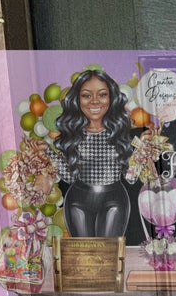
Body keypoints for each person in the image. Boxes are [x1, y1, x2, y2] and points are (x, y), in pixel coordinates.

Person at [54, 68, 133, 238]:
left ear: (111, 98)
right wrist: (46, 153)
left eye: (102, 95)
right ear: (77, 99)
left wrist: (143, 154)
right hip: (77, 200)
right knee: (83, 259)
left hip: (114, 200)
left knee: (109, 257)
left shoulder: (121, 132)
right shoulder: (72, 133)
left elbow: (131, 178)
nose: (95, 102)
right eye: (87, 95)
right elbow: (68, 177)